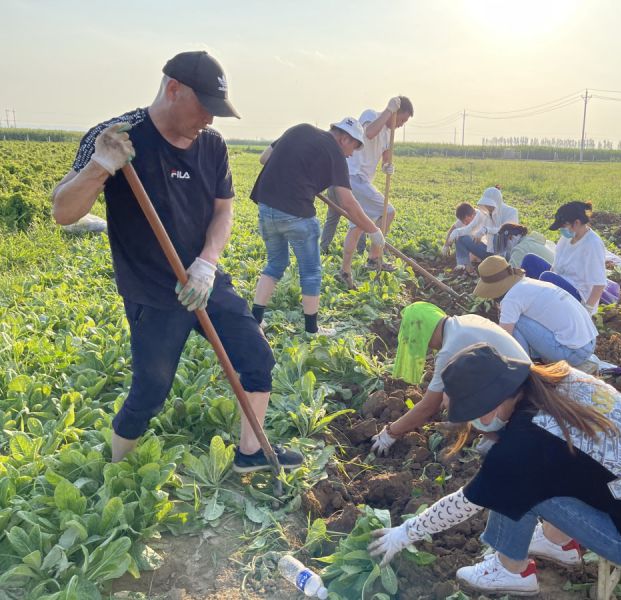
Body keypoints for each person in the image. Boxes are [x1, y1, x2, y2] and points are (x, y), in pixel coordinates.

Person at [51, 51, 302, 471]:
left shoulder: (212, 145)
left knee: (257, 357)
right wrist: (100, 165)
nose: (210, 119)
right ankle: (117, 470)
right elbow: (63, 211)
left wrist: (207, 262)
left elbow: (224, 210)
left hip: (204, 278)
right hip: (152, 288)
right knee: (151, 389)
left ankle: (251, 452)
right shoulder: (115, 135)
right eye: (206, 108)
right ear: (173, 90)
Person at [369, 343, 621, 596]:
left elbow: (468, 501)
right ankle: (559, 543)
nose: (472, 423)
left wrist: (406, 532)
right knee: (554, 468)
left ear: (492, 403)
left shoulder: (526, 441)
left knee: (513, 485)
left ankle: (511, 569)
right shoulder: (560, 378)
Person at [249, 118, 386, 331]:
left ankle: (255, 320)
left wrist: (299, 173)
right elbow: (348, 202)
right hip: (297, 213)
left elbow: (264, 158)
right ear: (344, 138)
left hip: (266, 207)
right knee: (311, 271)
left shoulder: (299, 128)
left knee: (275, 263)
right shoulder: (335, 152)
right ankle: (312, 330)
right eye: (354, 147)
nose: (351, 154)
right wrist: (373, 230)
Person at [370, 301, 530, 456]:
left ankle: (500, 438)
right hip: (524, 379)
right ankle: (497, 435)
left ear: (424, 331)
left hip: (516, 395)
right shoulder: (464, 321)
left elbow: (429, 406)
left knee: (453, 400)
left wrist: (391, 433)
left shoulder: (450, 348)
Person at [319, 97, 414, 274]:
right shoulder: (371, 115)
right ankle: (373, 258)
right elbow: (368, 133)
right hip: (354, 176)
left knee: (358, 225)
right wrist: (388, 110)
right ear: (395, 112)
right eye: (401, 119)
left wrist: (387, 166)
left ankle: (345, 269)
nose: (401, 124)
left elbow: (386, 157)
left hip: (363, 181)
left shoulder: (388, 134)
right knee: (388, 212)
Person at [474, 256, 597, 367]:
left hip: (573, 354)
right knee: (518, 318)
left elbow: (504, 336)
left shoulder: (511, 298)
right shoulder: (529, 283)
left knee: (516, 322)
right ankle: (536, 358)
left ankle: (525, 366)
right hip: (589, 343)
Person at [521, 201, 608, 313]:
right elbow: (555, 267)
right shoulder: (566, 238)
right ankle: (525, 299)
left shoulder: (592, 244)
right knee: (530, 260)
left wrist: (588, 310)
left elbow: (599, 284)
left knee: (547, 278)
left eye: (564, 226)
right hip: (559, 281)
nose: (562, 230)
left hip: (578, 294)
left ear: (576, 223)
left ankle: (538, 308)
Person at [446, 186, 519, 274]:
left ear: (497, 201)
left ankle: (498, 268)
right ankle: (465, 268)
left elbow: (506, 231)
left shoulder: (511, 212)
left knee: (497, 236)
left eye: (490, 204)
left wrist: (486, 230)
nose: (487, 207)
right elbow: (468, 228)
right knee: (461, 238)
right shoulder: (483, 213)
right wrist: (455, 233)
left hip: (506, 254)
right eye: (486, 204)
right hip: (489, 251)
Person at [441, 202, 477, 270]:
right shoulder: (466, 217)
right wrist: (446, 245)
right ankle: (462, 265)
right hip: (475, 245)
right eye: (463, 221)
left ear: (472, 215)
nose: (464, 223)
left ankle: (468, 262)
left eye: (466, 220)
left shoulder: (481, 217)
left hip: (487, 248)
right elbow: (453, 229)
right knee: (460, 237)